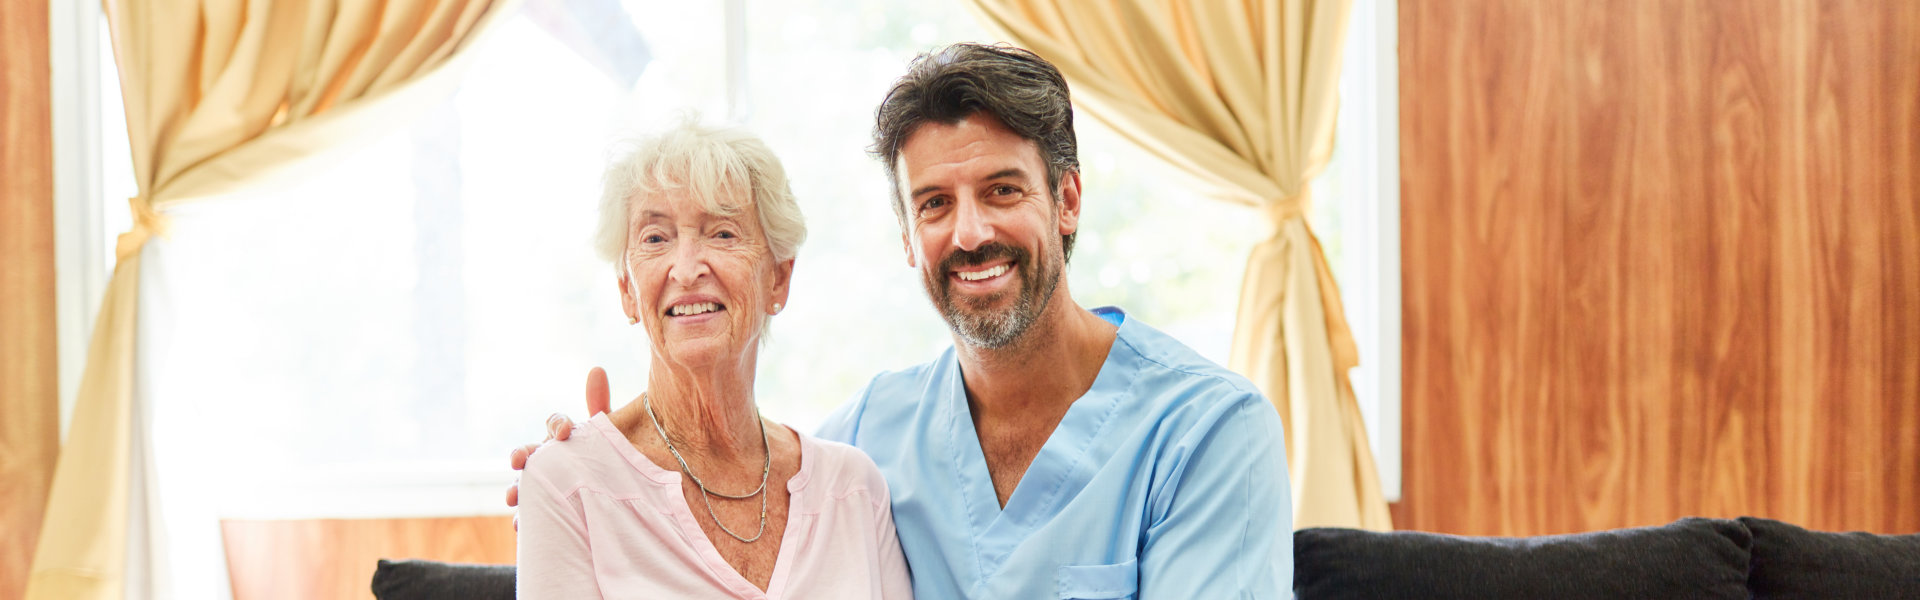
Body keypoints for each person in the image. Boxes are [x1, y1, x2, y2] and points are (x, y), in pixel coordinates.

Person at [513, 44, 1292, 598]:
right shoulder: (866, 445)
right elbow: (738, 485)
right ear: (907, 237)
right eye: (934, 205)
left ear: (1068, 201)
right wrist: (593, 466)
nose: (970, 233)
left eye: (1003, 191)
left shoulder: (1210, 433)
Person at [512, 117, 911, 599]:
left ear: (778, 279)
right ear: (627, 291)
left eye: (722, 233)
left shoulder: (853, 489)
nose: (685, 269)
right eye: (656, 239)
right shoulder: (567, 485)